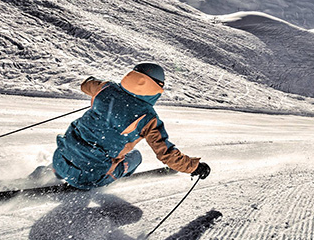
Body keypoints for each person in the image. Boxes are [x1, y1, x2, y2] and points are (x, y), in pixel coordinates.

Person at [51, 62, 210, 189]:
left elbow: (86, 84)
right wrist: (194, 167)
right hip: (90, 178)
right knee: (136, 156)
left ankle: (60, 170)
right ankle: (110, 176)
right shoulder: (148, 118)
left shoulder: (105, 88)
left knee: (82, 145)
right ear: (157, 87)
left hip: (59, 158)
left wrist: (102, 91)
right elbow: (166, 154)